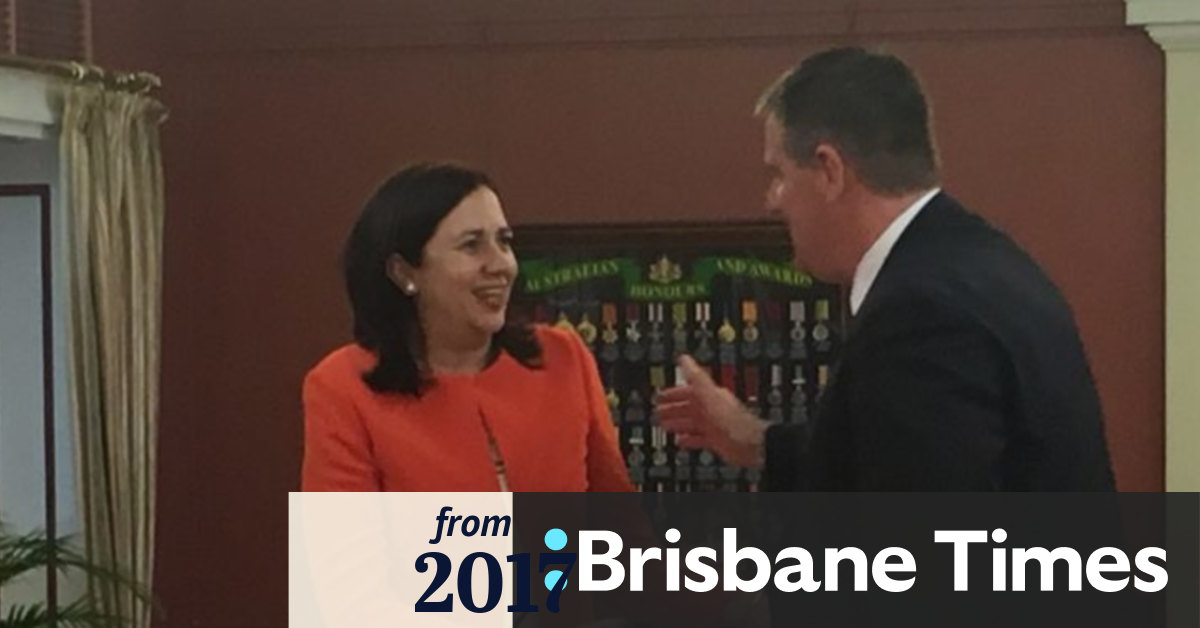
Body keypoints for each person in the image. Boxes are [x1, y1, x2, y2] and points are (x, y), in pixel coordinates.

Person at [656, 47, 1115, 491]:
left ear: (829, 169)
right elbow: (890, 452)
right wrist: (759, 442)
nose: (772, 200)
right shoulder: (987, 264)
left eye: (779, 174)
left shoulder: (920, 312)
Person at [302, 162, 633, 492]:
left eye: (504, 241)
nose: (501, 264)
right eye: (471, 245)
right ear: (404, 272)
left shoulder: (564, 357)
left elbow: (621, 525)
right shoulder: (343, 387)